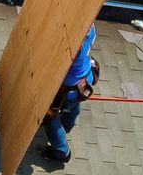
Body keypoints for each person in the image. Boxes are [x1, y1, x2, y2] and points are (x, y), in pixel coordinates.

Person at [39, 25, 100, 164]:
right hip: (85, 79)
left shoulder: (73, 47)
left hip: (69, 89)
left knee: (50, 118)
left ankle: (61, 152)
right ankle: (67, 123)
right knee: (72, 105)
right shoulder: (91, 28)